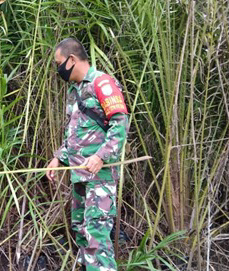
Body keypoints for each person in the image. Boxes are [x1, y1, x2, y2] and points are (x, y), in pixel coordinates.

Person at [45, 38, 129, 271]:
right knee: (81, 231)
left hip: (100, 177)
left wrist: (101, 156)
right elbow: (74, 133)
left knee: (96, 237)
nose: (58, 68)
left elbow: (120, 122)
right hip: (79, 176)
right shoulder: (75, 90)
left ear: (72, 60)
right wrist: (58, 157)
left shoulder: (102, 83)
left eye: (59, 63)